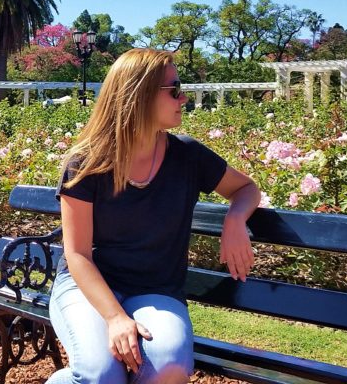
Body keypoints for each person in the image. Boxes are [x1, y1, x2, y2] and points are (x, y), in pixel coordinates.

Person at [47, 48, 260, 384]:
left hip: (156, 289)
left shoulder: (187, 155)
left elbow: (246, 188)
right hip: (88, 288)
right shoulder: (87, 162)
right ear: (140, 95)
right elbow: (77, 255)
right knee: (102, 374)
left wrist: (233, 220)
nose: (184, 98)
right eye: (174, 90)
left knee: (167, 369)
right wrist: (115, 318)